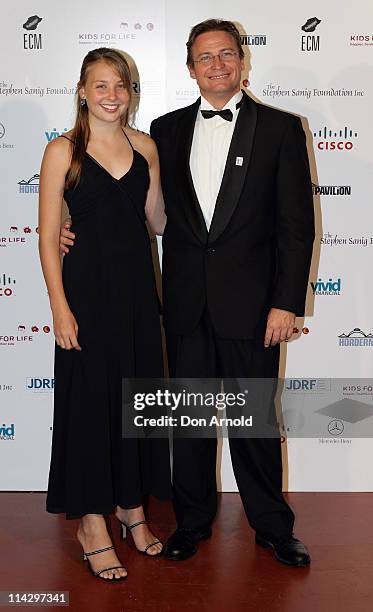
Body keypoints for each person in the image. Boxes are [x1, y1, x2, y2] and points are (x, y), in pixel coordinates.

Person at [61, 19, 315, 567]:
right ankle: (192, 521)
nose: (217, 64)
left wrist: (287, 301)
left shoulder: (280, 129)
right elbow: (141, 210)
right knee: (192, 427)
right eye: (205, 57)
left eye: (227, 54)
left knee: (254, 424)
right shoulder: (164, 130)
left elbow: (297, 226)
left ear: (243, 61)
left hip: (253, 308)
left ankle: (272, 526)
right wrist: (65, 224)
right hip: (184, 305)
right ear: (190, 67)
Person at [39, 47, 171, 582]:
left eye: (121, 85)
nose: (112, 95)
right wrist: (60, 309)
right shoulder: (62, 151)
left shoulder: (146, 147)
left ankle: (131, 509)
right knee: (91, 407)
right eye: (101, 85)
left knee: (135, 401)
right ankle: (92, 523)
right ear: (82, 90)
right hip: (87, 298)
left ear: (130, 92)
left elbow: (157, 221)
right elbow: (49, 239)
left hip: (138, 295)